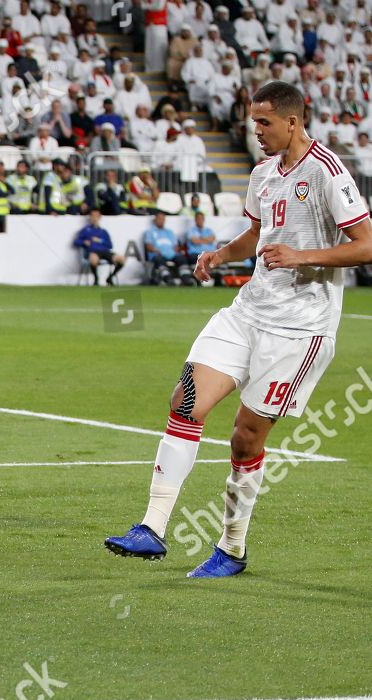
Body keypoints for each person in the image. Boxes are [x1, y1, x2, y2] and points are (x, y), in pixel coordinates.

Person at [104, 80, 372, 577]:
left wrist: (303, 255)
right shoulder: (263, 174)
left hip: (300, 328)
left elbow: (366, 243)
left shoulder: (329, 173)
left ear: (293, 121)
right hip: (247, 311)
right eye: (254, 123)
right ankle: (152, 528)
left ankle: (231, 548)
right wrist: (219, 254)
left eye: (265, 123)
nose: (257, 132)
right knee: (185, 399)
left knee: (245, 439)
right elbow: (257, 233)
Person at [73, 209, 125, 284]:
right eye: (93, 216)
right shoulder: (85, 230)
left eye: (97, 216)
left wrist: (100, 241)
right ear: (90, 217)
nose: (95, 218)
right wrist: (83, 242)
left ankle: (110, 277)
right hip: (92, 252)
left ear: (100, 217)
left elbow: (110, 245)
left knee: (122, 259)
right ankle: (96, 278)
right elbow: (76, 242)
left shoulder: (103, 231)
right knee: (94, 259)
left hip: (105, 252)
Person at [142, 210, 189, 284]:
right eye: (159, 219)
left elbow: (176, 246)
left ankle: (186, 279)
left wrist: (174, 250)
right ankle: (167, 278)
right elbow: (148, 246)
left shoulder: (169, 232)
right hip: (158, 254)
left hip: (171, 253)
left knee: (181, 258)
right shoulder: (150, 232)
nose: (161, 221)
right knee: (159, 259)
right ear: (155, 220)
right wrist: (156, 250)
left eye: (163, 219)